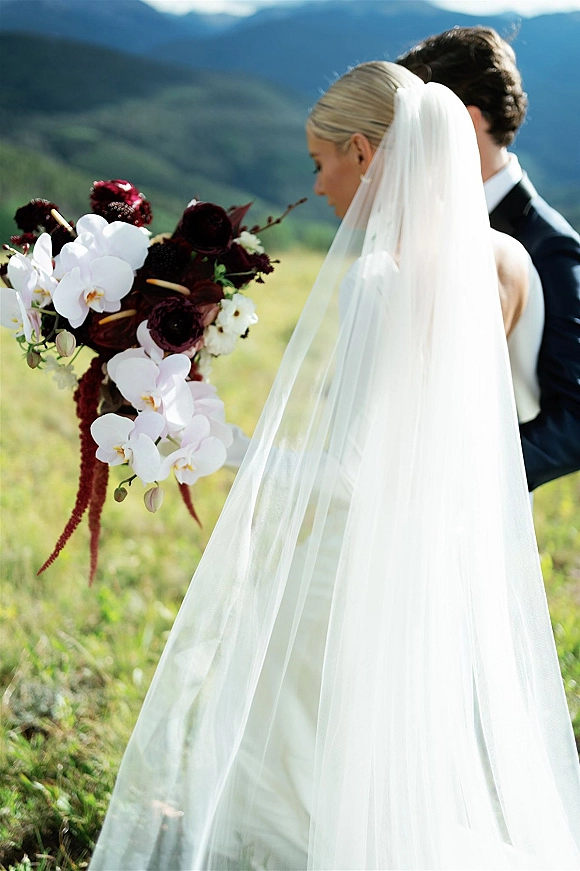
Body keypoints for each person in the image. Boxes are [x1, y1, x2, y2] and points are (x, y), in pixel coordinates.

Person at [90, 63, 580, 870]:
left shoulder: (380, 284)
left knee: (295, 792)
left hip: (349, 576)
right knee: (380, 783)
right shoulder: (501, 262)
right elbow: (496, 419)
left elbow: (350, 478)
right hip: (433, 562)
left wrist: (221, 444)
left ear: (362, 152)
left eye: (321, 162)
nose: (317, 187)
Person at [397, 26, 580, 493]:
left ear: (468, 121)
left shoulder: (549, 245)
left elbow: (574, 420)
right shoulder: (421, 222)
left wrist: (459, 483)